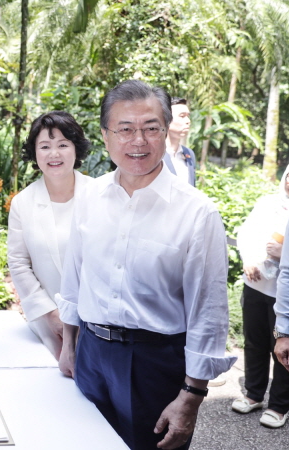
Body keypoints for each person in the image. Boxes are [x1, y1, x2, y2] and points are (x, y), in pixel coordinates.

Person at [58, 80, 235, 450]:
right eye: (124, 129)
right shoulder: (89, 196)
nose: (138, 141)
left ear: (165, 130)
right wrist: (69, 343)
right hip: (91, 355)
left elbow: (209, 310)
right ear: (106, 136)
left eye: (151, 128)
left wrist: (191, 395)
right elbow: (75, 275)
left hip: (154, 364)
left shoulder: (196, 212)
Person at [7, 111, 91, 360]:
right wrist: (53, 316)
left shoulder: (101, 194)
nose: (54, 154)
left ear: (76, 149)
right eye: (45, 146)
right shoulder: (23, 202)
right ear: (35, 154)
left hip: (99, 321)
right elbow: (19, 263)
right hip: (48, 323)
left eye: (63, 144)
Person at [234, 165, 289, 428]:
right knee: (254, 341)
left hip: (285, 293)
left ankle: (280, 405)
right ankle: (254, 393)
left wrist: (284, 253)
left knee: (283, 348)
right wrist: (248, 259)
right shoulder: (268, 203)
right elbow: (246, 233)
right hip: (257, 286)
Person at [163, 97, 196, 186]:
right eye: (182, 116)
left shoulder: (189, 154)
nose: (188, 121)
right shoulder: (153, 155)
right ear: (166, 120)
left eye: (188, 116)